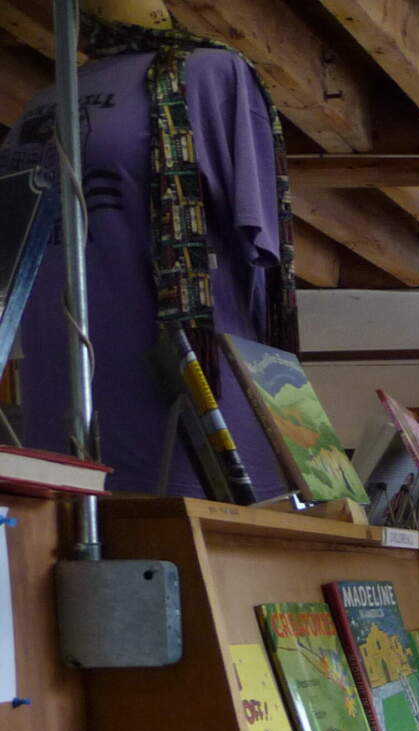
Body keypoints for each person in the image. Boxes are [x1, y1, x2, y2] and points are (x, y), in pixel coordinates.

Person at [1, 0, 295, 497]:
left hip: (180, 390)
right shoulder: (40, 102)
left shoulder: (210, 73)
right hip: (56, 387)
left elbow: (259, 248)